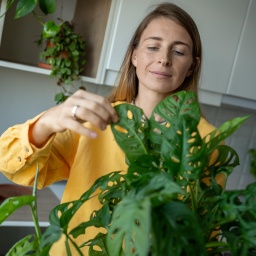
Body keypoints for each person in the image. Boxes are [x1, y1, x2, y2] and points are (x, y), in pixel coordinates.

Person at [0, 2, 224, 255]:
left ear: (191, 67)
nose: (163, 59)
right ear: (135, 55)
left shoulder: (207, 139)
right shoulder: (94, 117)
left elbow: (204, 230)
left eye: (179, 52)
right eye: (153, 47)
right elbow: (13, 165)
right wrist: (47, 122)